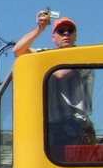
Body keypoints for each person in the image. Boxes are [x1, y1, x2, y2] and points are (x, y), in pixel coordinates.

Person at [14, 12, 93, 158]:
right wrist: (40, 28)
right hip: (54, 126)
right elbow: (18, 50)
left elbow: (60, 74)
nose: (66, 34)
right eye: (61, 31)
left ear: (75, 36)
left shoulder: (83, 55)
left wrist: (43, 62)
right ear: (53, 37)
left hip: (77, 125)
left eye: (70, 31)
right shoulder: (47, 55)